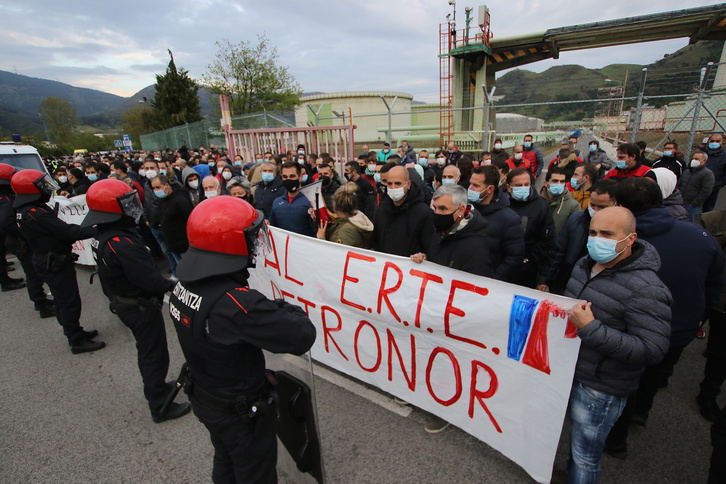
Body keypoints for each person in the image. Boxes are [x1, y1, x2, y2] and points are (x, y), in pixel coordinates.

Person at [169, 196, 316, 483]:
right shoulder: (236, 304)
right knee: (254, 473)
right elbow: (301, 335)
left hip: (206, 395)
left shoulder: (185, 283)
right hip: (238, 411)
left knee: (225, 458)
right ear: (229, 244)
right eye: (250, 238)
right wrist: (284, 307)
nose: (254, 244)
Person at [605, 178, 723, 458]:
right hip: (678, 330)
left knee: (623, 382)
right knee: (654, 375)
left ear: (620, 207)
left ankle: (615, 440)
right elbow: (714, 286)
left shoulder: (617, 242)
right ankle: (642, 411)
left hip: (627, 331)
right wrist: (696, 320)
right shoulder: (700, 237)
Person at [564, 206, 671, 484]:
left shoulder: (647, 289)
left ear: (630, 238)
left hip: (601, 388)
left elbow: (652, 349)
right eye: (593, 232)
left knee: (585, 456)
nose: (597, 239)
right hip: (570, 372)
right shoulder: (584, 264)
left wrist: (592, 329)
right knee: (573, 445)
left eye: (607, 234)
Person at [81, 180, 190, 422]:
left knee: (148, 351)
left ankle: (158, 388)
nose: (133, 207)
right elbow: (152, 281)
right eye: (127, 203)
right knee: (154, 354)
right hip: (138, 306)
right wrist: (177, 287)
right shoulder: (123, 244)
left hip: (124, 300)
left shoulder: (105, 234)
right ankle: (160, 404)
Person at [12, 169, 104, 354]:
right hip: (52, 260)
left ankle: (76, 331)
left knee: (64, 299)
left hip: (47, 258)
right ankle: (76, 340)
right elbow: (67, 232)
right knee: (67, 301)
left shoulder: (27, 210)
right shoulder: (35, 213)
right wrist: (96, 229)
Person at [537, 180, 618, 295]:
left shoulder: (621, 228)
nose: (595, 210)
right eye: (592, 205)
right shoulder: (576, 220)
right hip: (567, 282)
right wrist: (544, 279)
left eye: (601, 207)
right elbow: (557, 251)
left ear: (615, 204)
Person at [0, 164, 55, 320]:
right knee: (33, 273)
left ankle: (40, 300)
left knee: (32, 272)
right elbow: (6, 222)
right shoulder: (5, 199)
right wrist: (25, 233)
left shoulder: (6, 196)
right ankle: (41, 303)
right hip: (18, 241)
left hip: (13, 240)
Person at [468, 165, 525, 283]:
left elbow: (514, 257)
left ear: (490, 189)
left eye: (476, 185)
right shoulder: (466, 209)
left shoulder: (510, 219)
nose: (470, 188)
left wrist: (494, 280)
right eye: (471, 184)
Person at [506, 168, 554, 288]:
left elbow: (546, 241)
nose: (523, 188)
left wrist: (529, 260)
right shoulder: (502, 203)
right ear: (509, 187)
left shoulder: (541, 206)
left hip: (526, 269)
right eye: (518, 185)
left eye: (526, 184)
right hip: (502, 264)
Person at [373, 165, 434, 257]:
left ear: (408, 184)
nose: (393, 187)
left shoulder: (424, 214)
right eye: (389, 184)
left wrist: (424, 256)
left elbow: (430, 248)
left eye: (398, 183)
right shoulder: (381, 211)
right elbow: (375, 243)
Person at [151, 174, 194, 272]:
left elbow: (190, 219)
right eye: (154, 188)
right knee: (181, 268)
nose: (156, 190)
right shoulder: (162, 201)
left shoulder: (179, 201)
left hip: (183, 244)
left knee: (188, 269)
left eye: (158, 187)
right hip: (171, 244)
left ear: (166, 185)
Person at [317, 182, 373, 248]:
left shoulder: (346, 230)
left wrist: (321, 239)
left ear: (335, 206)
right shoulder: (354, 221)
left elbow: (337, 254)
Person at [269, 162, 315, 237]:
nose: (288, 179)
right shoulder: (277, 202)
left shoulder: (311, 200)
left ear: (300, 177)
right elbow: (272, 225)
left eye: (292, 176)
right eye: (285, 177)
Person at [540, 167, 581, 236]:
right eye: (555, 181)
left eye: (562, 181)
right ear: (546, 183)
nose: (559, 184)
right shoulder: (537, 202)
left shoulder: (573, 205)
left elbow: (575, 231)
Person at [679, 151, 716, 221]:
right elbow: (679, 184)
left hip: (692, 206)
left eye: (696, 159)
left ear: (704, 160)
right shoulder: (687, 172)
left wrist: (694, 203)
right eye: (693, 158)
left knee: (691, 223)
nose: (693, 160)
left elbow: (706, 191)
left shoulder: (708, 174)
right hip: (681, 203)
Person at [704, 133, 726, 212]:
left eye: (717, 141)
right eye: (712, 141)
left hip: (714, 187)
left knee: (708, 208)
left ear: (722, 142)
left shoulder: (724, 156)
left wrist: (720, 184)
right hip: (699, 185)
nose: (714, 143)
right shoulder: (702, 153)